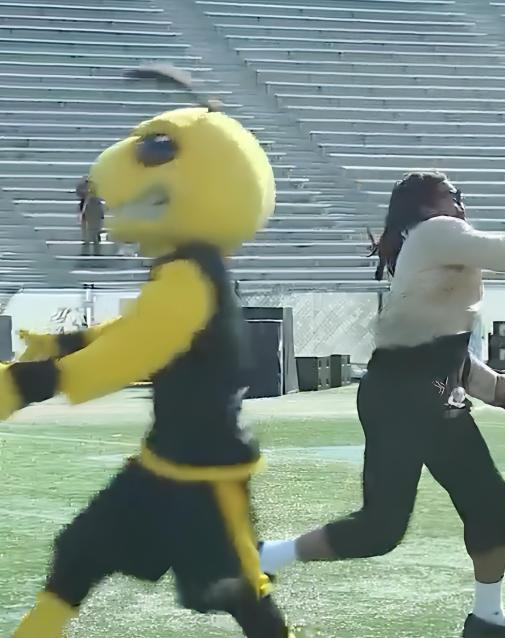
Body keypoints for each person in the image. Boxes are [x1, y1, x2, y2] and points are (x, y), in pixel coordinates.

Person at [7, 65, 293, 638]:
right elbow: (137, 330)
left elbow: (136, 351)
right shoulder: (181, 272)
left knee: (235, 590)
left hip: (207, 473)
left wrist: (25, 385)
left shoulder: (191, 277)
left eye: (159, 150)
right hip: (166, 462)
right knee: (80, 552)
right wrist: (67, 342)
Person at [259, 170, 505, 638]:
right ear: (427, 204)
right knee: (387, 527)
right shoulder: (437, 232)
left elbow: (452, 358)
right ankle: (263, 556)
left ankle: (487, 619)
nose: (461, 204)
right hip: (405, 398)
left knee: (478, 504)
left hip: (419, 394)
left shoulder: (436, 246)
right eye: (453, 195)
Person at [77, 178, 104, 257]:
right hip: (88, 216)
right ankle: (87, 252)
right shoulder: (85, 199)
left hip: (93, 216)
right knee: (87, 236)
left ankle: (96, 252)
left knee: (95, 235)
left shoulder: (95, 199)